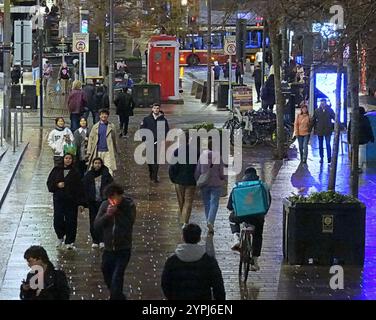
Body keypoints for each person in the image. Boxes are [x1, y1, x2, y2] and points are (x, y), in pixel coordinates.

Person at [94, 183, 136, 300]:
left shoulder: (128, 205)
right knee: (106, 272)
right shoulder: (105, 205)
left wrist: (117, 212)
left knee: (117, 277)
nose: (112, 200)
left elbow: (129, 224)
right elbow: (97, 225)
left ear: (120, 195)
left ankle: (115, 296)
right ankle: (119, 297)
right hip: (108, 249)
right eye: (109, 198)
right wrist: (107, 215)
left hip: (123, 249)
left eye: (114, 197)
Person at [161, 223, 225, 300]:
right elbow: (218, 286)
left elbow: (165, 284)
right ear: (199, 238)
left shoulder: (172, 261)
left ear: (183, 238)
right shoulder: (209, 261)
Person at [227, 167, 271, 271]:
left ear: (244, 176)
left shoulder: (237, 186)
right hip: (257, 217)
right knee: (258, 234)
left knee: (232, 218)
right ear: (256, 175)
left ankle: (236, 237)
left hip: (241, 215)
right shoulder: (262, 185)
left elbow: (229, 206)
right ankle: (255, 262)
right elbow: (268, 202)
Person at [46, 153, 85, 250]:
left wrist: (81, 203)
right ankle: (60, 236)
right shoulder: (56, 170)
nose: (68, 160)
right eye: (66, 158)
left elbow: (80, 188)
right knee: (58, 219)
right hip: (59, 199)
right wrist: (57, 185)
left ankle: (70, 241)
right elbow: (50, 183)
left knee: (71, 221)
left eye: (70, 158)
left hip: (71, 201)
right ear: (63, 159)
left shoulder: (75, 172)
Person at [194, 138, 225, 234]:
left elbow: (198, 170)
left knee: (207, 203)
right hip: (216, 184)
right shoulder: (218, 157)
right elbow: (222, 172)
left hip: (204, 184)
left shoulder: (202, 156)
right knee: (214, 203)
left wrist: (197, 180)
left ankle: (209, 221)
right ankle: (210, 221)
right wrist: (223, 179)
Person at [169, 132, 198, 228]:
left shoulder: (177, 151)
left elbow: (173, 166)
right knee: (188, 202)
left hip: (179, 180)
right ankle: (185, 221)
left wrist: (173, 177)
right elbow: (199, 167)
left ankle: (184, 220)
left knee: (181, 201)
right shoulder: (196, 151)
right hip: (191, 180)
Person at [83, 157, 113, 249]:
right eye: (95, 163)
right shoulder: (89, 175)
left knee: (103, 220)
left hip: (103, 202)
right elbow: (84, 187)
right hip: (92, 202)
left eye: (99, 163)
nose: (97, 165)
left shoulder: (106, 174)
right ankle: (95, 240)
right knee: (93, 220)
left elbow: (111, 187)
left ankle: (102, 240)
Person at [140, 103, 170, 183]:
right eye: (155, 108)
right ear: (152, 109)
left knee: (156, 160)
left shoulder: (163, 120)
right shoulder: (146, 119)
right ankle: (151, 173)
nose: (156, 109)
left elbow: (166, 130)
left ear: (159, 109)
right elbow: (142, 129)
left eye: (157, 108)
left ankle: (155, 176)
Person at [87, 109, 118, 176]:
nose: (104, 116)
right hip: (97, 151)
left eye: (105, 114)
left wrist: (117, 150)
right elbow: (91, 139)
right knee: (97, 168)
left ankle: (109, 183)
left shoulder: (112, 126)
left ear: (108, 116)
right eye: (102, 114)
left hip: (108, 151)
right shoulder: (95, 126)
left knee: (109, 168)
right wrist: (89, 151)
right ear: (100, 116)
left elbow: (115, 139)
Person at [348, 107, 375, 173]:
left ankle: (354, 166)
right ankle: (358, 167)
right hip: (362, 140)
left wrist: (349, 139)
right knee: (360, 153)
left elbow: (349, 130)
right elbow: (368, 129)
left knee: (354, 152)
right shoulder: (365, 119)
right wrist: (371, 138)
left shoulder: (352, 119)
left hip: (354, 140)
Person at [311, 98, 335, 163]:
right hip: (320, 130)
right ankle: (321, 157)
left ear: (326, 103)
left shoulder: (330, 110)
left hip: (328, 130)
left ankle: (329, 157)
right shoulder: (317, 111)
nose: (322, 104)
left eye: (324, 102)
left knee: (328, 144)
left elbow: (335, 118)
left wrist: (341, 126)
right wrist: (310, 128)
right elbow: (313, 120)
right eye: (321, 102)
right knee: (320, 145)